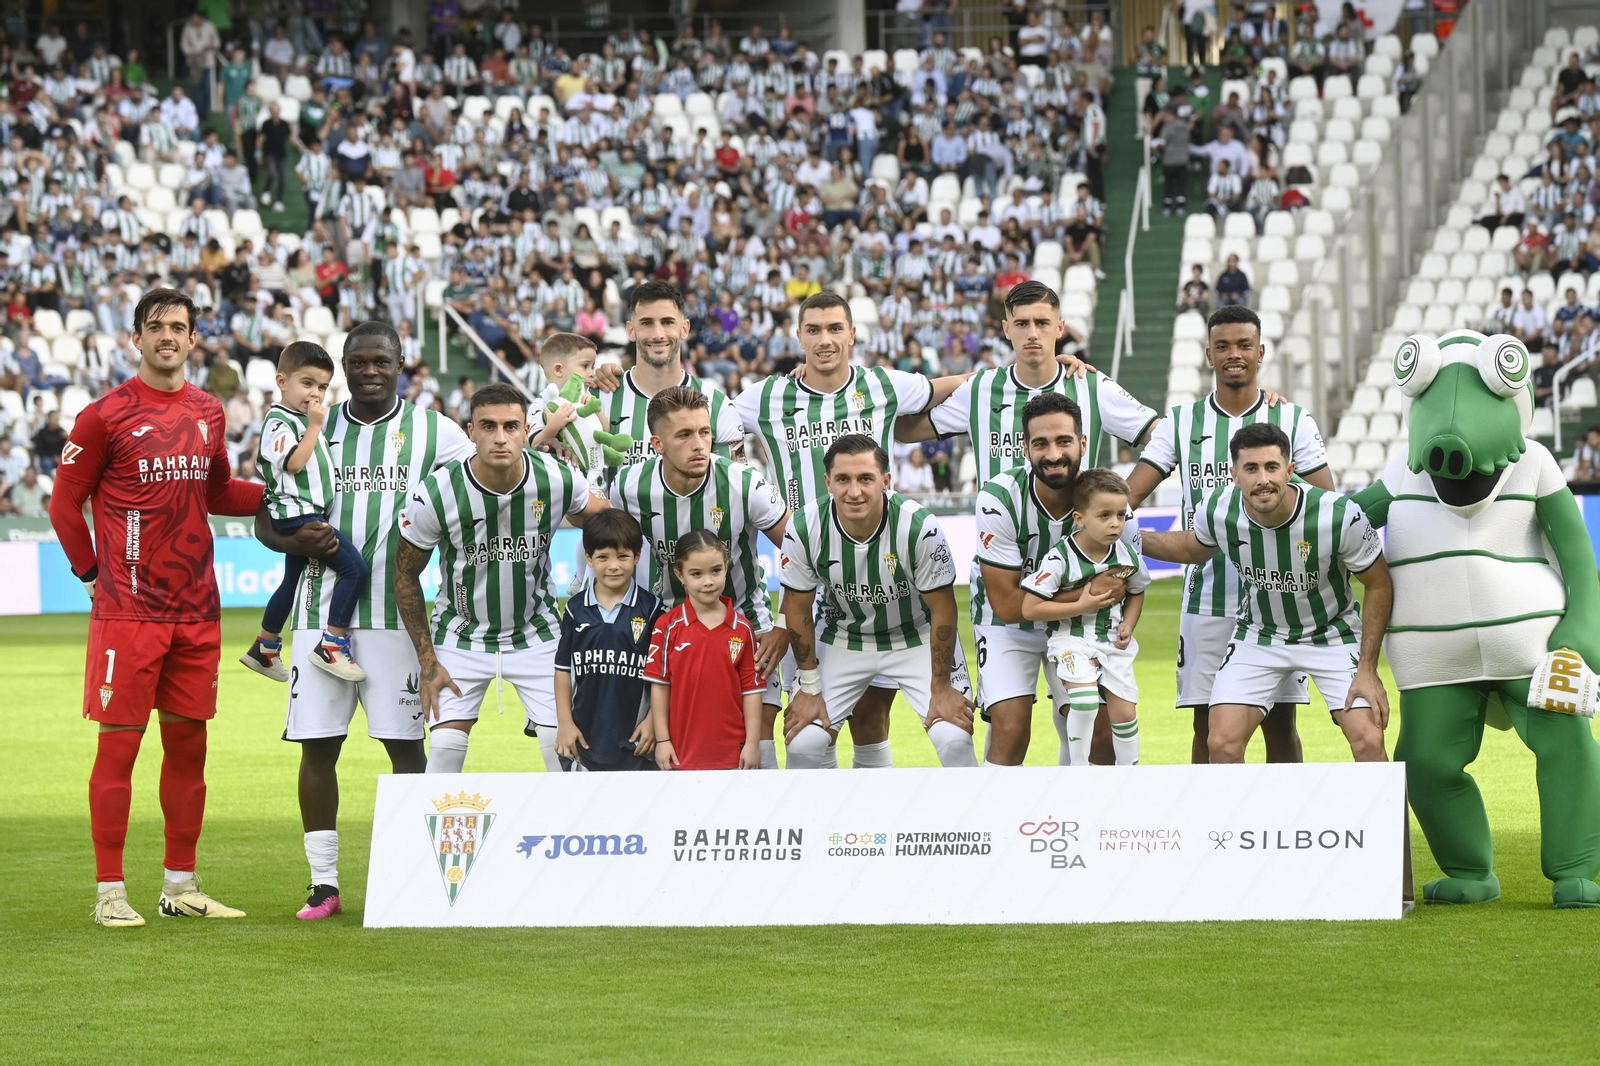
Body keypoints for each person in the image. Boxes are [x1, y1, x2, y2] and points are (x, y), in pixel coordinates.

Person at [48, 287, 267, 927]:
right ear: (136, 338)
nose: (167, 336)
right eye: (156, 326)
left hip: (197, 608)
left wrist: (285, 496)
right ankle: (110, 894)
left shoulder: (207, 410)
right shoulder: (104, 416)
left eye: (178, 326)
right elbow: (64, 504)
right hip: (130, 612)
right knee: (119, 751)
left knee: (189, 751)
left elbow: (218, 491)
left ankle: (181, 886)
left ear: (193, 339)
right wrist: (91, 574)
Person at [253, 320, 474, 922]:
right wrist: (291, 541)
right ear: (344, 367)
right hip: (319, 613)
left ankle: (415, 877)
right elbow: (266, 515)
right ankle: (323, 884)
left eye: (382, 361)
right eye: (358, 362)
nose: (370, 371)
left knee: (405, 749)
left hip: (397, 619)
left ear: (401, 364)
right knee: (318, 747)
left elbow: (484, 481)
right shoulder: (310, 423)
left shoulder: (436, 431)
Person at [732, 291, 957, 768]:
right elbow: (695, 418)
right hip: (810, 575)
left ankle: (870, 813)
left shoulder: (882, 384)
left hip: (883, 574)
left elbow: (959, 387)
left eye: (835, 329)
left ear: (853, 334)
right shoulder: (766, 397)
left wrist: (1041, 368)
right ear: (798, 336)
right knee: (805, 732)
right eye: (813, 330)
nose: (825, 340)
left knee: (872, 718)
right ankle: (823, 814)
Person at [1126, 304, 1336, 765]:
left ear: (1261, 351)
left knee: (1280, 723)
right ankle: (1211, 813)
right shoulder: (1180, 422)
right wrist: (1107, 528)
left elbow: (1327, 504)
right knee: (1206, 725)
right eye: (1222, 346)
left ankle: (1280, 812)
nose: (1234, 354)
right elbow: (1129, 496)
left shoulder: (1293, 419)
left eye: (1244, 345)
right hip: (1207, 599)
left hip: (1279, 602)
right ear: (1208, 354)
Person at [1141, 422, 1394, 764]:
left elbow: (1379, 583)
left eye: (1272, 467)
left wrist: (1368, 668)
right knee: (1222, 743)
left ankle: (1389, 805)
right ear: (1234, 475)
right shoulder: (1218, 508)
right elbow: (1190, 548)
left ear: (1290, 470)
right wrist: (1132, 537)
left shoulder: (1337, 515)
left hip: (1332, 633)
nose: (1263, 479)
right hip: (1259, 635)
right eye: (1251, 468)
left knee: (1368, 739)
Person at [396, 382, 605, 781]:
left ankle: (574, 822)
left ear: (527, 430)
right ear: (471, 431)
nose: (500, 437)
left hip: (538, 633)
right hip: (460, 635)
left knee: (564, 750)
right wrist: (427, 661)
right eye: (488, 426)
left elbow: (603, 519)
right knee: (444, 750)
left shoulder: (557, 478)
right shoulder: (437, 493)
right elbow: (405, 574)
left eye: (510, 426)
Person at [779, 434, 977, 769]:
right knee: (804, 743)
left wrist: (941, 687)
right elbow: (797, 609)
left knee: (954, 738)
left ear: (886, 481)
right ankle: (825, 807)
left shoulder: (918, 527)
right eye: (843, 479)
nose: (854, 491)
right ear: (828, 482)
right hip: (843, 636)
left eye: (865, 479)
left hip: (916, 635)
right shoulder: (804, 527)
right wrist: (809, 688)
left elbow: (943, 608)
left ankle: (971, 809)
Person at [610, 386, 788, 704]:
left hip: (749, 625)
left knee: (758, 736)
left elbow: (801, 553)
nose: (699, 445)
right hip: (670, 630)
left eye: (704, 432)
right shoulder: (628, 487)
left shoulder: (745, 483)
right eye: (684, 435)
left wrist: (784, 625)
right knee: (673, 734)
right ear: (657, 444)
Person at [968, 393, 1090, 766]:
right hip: (1006, 624)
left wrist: (1086, 603)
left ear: (1083, 443)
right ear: (1025, 448)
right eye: (1041, 444)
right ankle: (993, 807)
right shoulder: (999, 498)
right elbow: (1006, 605)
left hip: (1074, 623)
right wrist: (1083, 598)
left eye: (1064, 441)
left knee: (1089, 724)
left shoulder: (1106, 498)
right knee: (1011, 728)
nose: (1053, 454)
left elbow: (1120, 585)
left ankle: (1075, 803)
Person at [240, 342, 370, 684]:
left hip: (303, 513)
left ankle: (265, 647)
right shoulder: (280, 421)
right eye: (307, 383)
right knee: (355, 570)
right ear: (282, 381)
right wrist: (314, 427)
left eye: (322, 387)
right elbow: (294, 463)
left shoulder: (297, 419)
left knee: (292, 580)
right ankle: (332, 645)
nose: (315, 393)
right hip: (299, 515)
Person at [1021, 469, 1150, 766]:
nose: (1115, 523)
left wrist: (1129, 623)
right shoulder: (1059, 558)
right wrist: (1081, 605)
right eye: (1104, 516)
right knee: (1085, 702)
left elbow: (1137, 590)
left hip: (1111, 642)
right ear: (1080, 519)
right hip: (1069, 640)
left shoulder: (1127, 555)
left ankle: (1130, 774)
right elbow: (1030, 607)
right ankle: (1079, 769)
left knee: (1125, 713)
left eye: (1120, 515)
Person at [644, 530, 765, 770]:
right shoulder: (667, 626)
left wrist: (752, 744)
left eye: (716, 571)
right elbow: (660, 687)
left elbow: (751, 690)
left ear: (726, 566)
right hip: (681, 754)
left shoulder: (742, 628)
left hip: (733, 756)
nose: (708, 581)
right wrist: (663, 740)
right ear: (680, 575)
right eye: (696, 574)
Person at [554, 508, 664, 771]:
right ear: (589, 559)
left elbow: (663, 676)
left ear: (636, 556)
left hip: (637, 743)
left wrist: (653, 721)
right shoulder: (575, 609)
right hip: (585, 741)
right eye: (603, 557)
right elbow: (562, 671)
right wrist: (565, 723)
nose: (613, 566)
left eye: (623, 556)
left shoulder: (652, 610)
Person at [595, 280, 746, 468]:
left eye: (667, 322)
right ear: (631, 331)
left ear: (685, 329)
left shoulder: (718, 406)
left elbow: (734, 481)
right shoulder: (600, 396)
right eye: (647, 323)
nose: (658, 334)